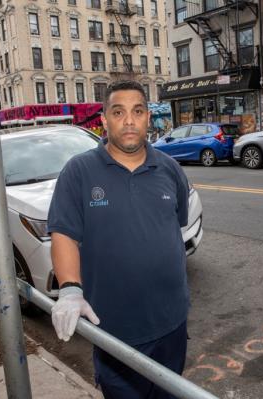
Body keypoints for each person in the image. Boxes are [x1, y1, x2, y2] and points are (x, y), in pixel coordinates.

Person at [47, 80, 190, 399]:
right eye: (119, 112)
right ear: (104, 120)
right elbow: (63, 233)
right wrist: (70, 289)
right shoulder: (79, 171)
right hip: (116, 332)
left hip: (172, 324)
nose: (129, 120)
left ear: (147, 118)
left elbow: (173, 228)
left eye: (138, 111)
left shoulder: (170, 169)